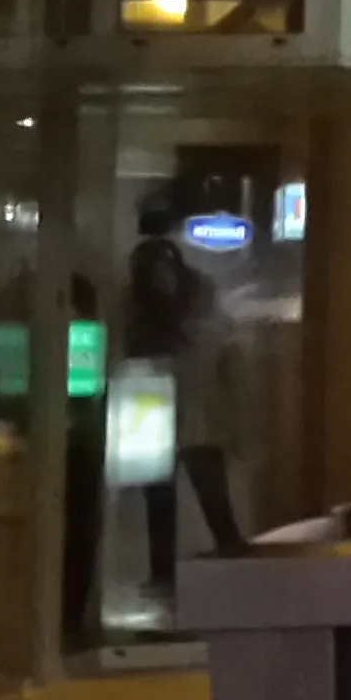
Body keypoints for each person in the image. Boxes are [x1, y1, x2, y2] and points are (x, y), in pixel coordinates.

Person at [127, 197, 243, 594]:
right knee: (165, 502)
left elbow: (221, 354)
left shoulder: (178, 307)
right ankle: (168, 574)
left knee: (207, 498)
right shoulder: (179, 305)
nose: (163, 279)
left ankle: (224, 564)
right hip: (164, 415)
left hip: (185, 415)